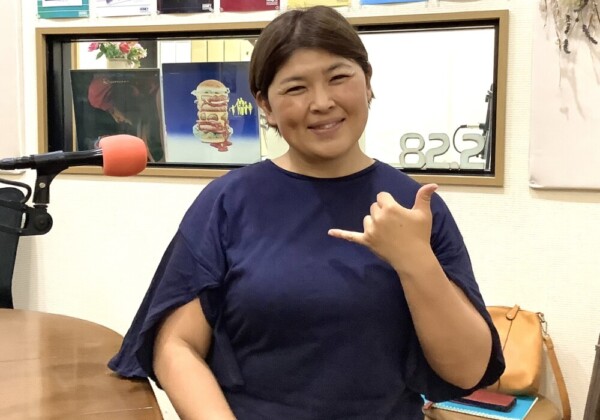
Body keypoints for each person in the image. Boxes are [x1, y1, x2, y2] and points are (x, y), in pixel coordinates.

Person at [108, 6, 505, 419]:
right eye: (296, 88)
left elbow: (468, 370)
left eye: (339, 77)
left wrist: (415, 260)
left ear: (367, 82)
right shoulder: (227, 203)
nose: (322, 103)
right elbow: (175, 345)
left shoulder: (411, 206)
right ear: (265, 105)